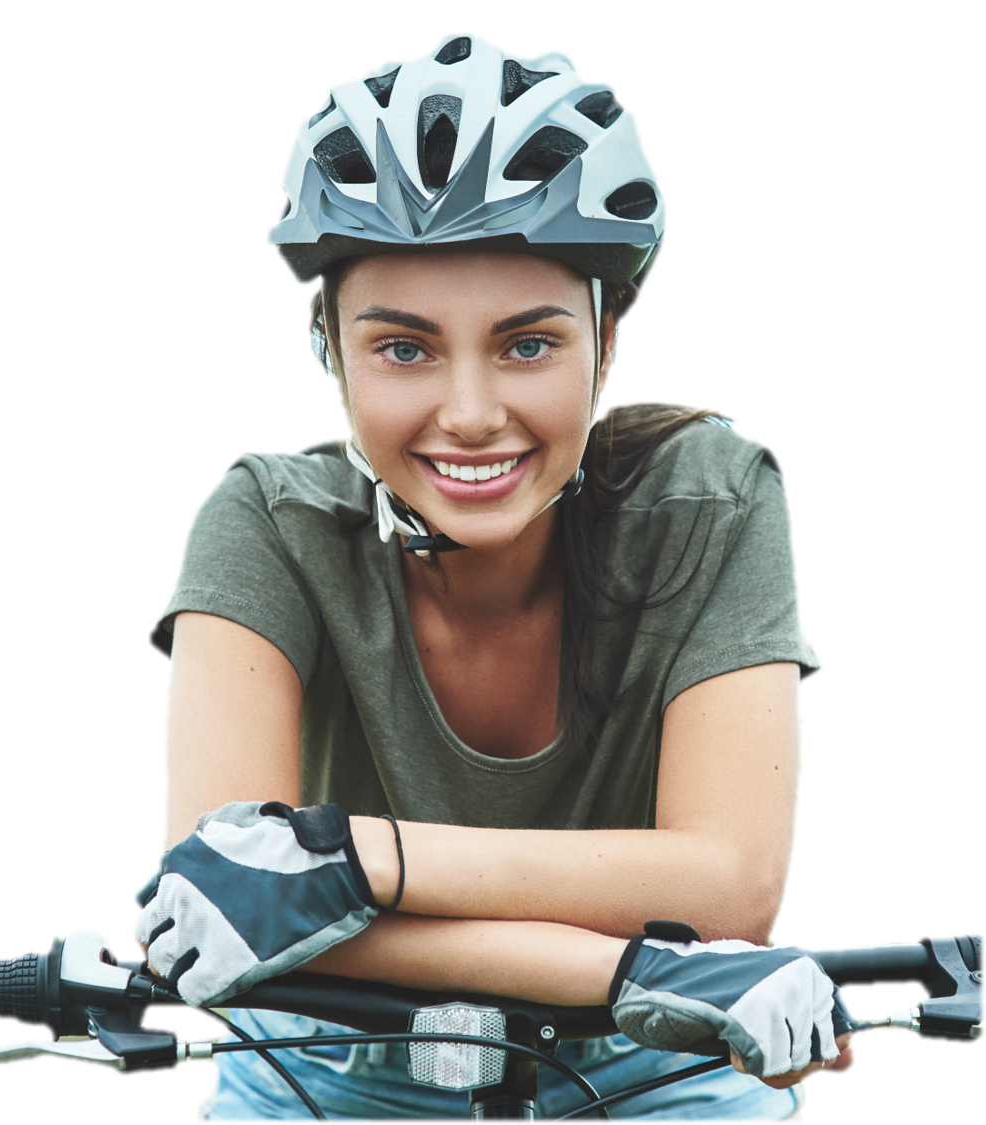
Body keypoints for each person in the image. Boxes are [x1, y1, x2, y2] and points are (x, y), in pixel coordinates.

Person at [137, 31, 857, 1124]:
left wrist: (349, 860)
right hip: (333, 1049)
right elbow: (221, 898)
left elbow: (727, 890)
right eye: (403, 348)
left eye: (526, 345)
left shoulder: (713, 502)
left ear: (606, 343)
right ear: (327, 347)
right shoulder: (264, 524)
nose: (470, 413)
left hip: (660, 1058)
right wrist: (624, 971)